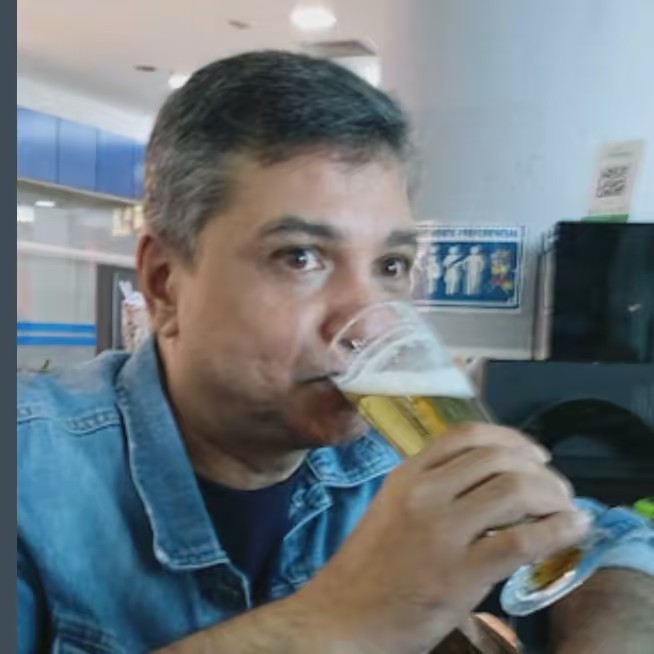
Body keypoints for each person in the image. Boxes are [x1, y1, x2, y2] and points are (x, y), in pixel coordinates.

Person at [17, 51, 654, 654]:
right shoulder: (29, 471)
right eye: (300, 257)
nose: (365, 321)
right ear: (164, 284)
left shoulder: (387, 460)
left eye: (391, 264)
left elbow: (613, 546)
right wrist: (343, 618)